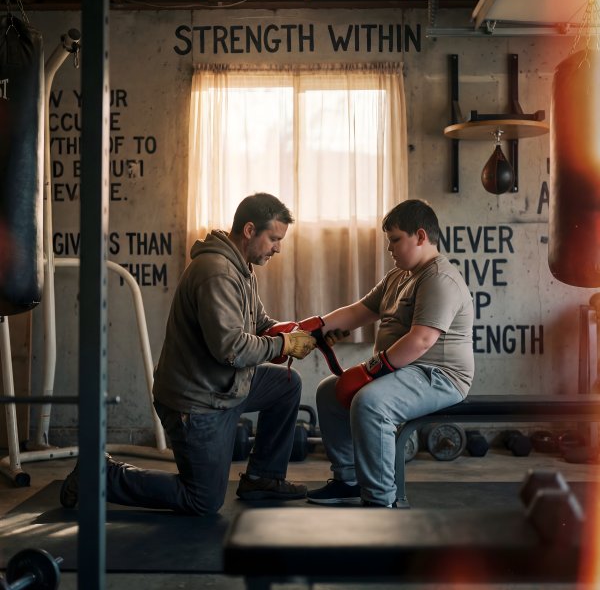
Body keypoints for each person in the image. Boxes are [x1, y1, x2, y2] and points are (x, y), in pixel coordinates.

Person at [60, 193, 317, 515]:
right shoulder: (218, 272)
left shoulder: (242, 268)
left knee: (286, 385)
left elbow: (261, 324)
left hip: (224, 386)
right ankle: (98, 476)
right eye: (274, 239)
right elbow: (231, 349)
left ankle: (263, 478)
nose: (278, 247)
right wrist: (283, 345)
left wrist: (303, 334)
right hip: (196, 402)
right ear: (250, 230)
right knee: (203, 500)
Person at [305, 199, 474, 508]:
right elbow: (358, 311)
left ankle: (380, 500)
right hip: (402, 370)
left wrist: (371, 370)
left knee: (371, 403)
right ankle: (348, 480)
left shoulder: (439, 279)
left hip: (438, 375)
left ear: (420, 237)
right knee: (329, 391)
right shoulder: (398, 277)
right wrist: (314, 326)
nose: (390, 249)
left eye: (396, 240)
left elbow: (422, 340)